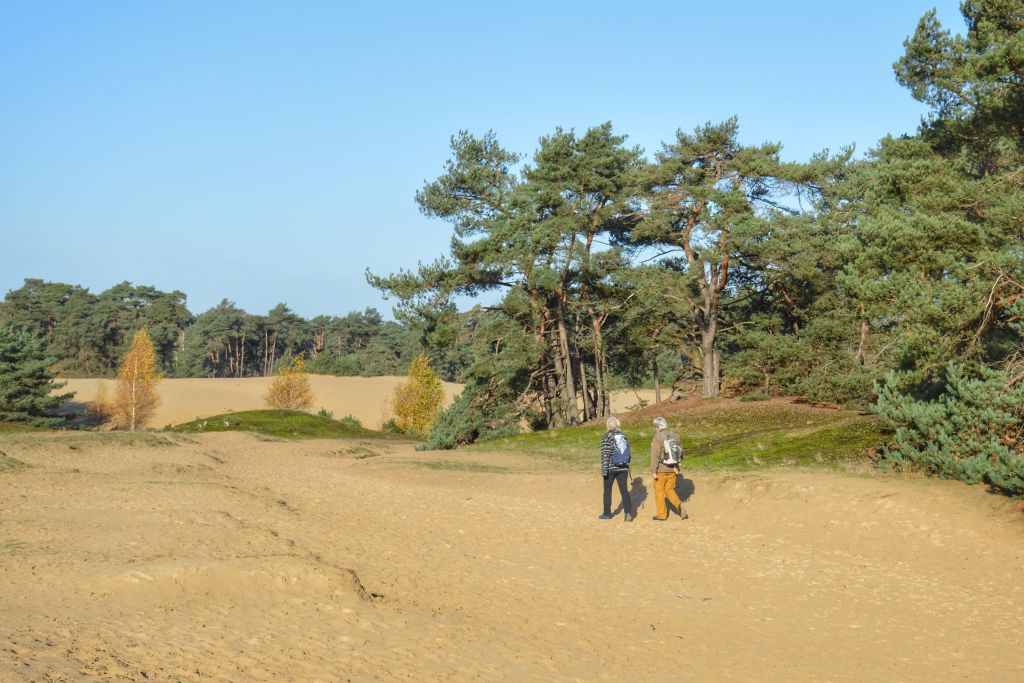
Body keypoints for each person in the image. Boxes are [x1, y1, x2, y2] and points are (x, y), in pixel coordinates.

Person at [650, 416, 688, 521]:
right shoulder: (675, 436)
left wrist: (653, 471)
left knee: (659, 491)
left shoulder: (657, 437)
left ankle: (661, 515)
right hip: (673, 469)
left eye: (655, 427)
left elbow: (655, 455)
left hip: (661, 470)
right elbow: (681, 453)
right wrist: (677, 465)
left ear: (658, 427)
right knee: (669, 489)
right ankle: (680, 506)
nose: (655, 429)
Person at [599, 416, 634, 522]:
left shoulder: (606, 436)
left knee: (607, 490)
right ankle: (628, 513)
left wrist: (604, 470)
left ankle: (607, 514)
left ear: (608, 425)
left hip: (611, 468)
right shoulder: (623, 436)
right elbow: (628, 453)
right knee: (624, 490)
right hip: (623, 467)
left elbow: (605, 454)